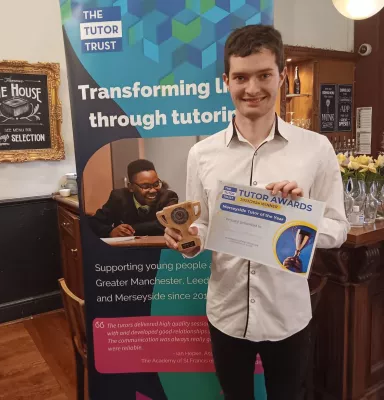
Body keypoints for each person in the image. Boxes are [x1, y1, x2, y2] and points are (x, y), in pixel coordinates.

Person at [164, 25, 349, 400]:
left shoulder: (316, 149)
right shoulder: (202, 154)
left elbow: (338, 228)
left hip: (288, 316)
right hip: (225, 312)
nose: (252, 88)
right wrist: (187, 240)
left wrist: (298, 216)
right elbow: (200, 222)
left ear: (281, 75)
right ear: (226, 80)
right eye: (241, 77)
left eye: (264, 75)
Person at [88, 159, 178, 238]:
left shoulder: (168, 197)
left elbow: (166, 223)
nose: (153, 190)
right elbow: (95, 223)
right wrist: (111, 232)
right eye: (145, 186)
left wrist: (130, 229)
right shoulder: (118, 197)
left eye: (156, 184)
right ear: (131, 187)